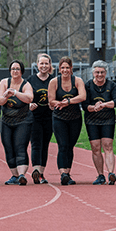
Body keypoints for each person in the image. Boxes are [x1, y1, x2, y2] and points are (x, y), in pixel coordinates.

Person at [82, 60, 116, 185]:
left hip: (107, 119)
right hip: (91, 119)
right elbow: (84, 105)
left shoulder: (112, 85)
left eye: (102, 72)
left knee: (108, 145)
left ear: (106, 73)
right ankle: (100, 175)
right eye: (97, 72)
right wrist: (94, 107)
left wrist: (104, 104)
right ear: (93, 72)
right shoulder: (87, 86)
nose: (100, 75)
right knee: (95, 147)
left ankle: (111, 173)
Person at [48, 56, 86, 185]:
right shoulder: (54, 82)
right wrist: (59, 103)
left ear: (71, 69)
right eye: (62, 68)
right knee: (62, 145)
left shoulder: (77, 81)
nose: (65, 70)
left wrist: (68, 102)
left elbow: (82, 96)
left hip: (75, 118)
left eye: (67, 68)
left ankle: (68, 173)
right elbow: (51, 100)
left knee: (70, 146)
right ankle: (63, 173)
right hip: (59, 118)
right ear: (59, 69)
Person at [0, 60, 34, 185]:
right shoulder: (4, 83)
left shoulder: (26, 84)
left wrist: (16, 93)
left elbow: (29, 98)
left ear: (21, 71)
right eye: (13, 69)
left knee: (20, 146)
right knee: (8, 147)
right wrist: (6, 95)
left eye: (17, 69)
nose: (15, 71)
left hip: (23, 120)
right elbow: (0, 101)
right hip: (7, 120)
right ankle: (15, 175)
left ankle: (22, 174)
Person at [27, 53, 54, 184]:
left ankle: (42, 173)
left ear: (50, 65)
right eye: (41, 63)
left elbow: (58, 97)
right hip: (35, 117)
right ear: (37, 65)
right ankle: (36, 170)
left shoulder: (54, 80)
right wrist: (29, 105)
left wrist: (54, 104)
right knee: (36, 144)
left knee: (45, 145)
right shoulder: (31, 80)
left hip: (49, 117)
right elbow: (25, 96)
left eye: (46, 63)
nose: (44, 66)